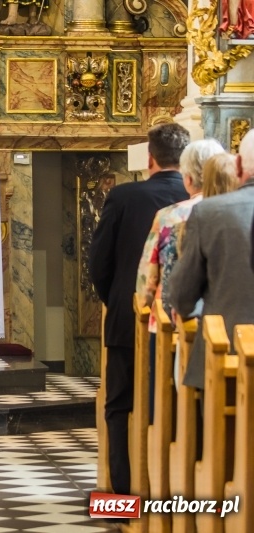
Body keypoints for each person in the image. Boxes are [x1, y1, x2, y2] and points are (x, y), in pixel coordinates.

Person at [88, 122, 190, 496]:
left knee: (119, 405)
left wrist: (116, 299)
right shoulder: (199, 198)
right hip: (187, 323)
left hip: (128, 317)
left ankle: (123, 499)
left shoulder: (124, 196)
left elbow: (98, 261)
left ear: (150, 158)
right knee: (179, 402)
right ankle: (175, 494)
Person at [135, 139, 224, 418]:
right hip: (228, 325)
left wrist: (143, 302)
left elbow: (147, 280)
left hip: (172, 323)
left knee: (165, 407)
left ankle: (163, 450)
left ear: (188, 178)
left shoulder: (171, 216)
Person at [170, 130, 254, 393]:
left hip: (227, 353)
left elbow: (182, 295)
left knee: (220, 432)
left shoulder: (210, 211)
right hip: (228, 354)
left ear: (238, 165)